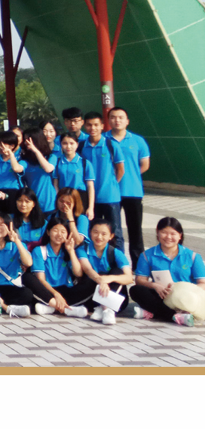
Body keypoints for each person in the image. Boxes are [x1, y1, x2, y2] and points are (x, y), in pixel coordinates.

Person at [130, 217, 205, 325]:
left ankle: (155, 313)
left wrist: (187, 291)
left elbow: (203, 283)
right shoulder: (147, 255)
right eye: (164, 232)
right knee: (135, 290)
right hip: (162, 295)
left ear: (180, 235)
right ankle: (176, 316)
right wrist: (155, 286)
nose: (168, 237)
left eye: (173, 233)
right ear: (157, 233)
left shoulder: (193, 256)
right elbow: (140, 280)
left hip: (186, 298)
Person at [106, 107, 150, 268]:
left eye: (121, 117)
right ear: (109, 120)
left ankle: (138, 266)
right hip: (110, 193)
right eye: (113, 117)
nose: (117, 120)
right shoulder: (103, 139)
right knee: (112, 231)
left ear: (127, 121)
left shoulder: (138, 140)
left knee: (135, 230)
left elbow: (144, 164)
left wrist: (131, 175)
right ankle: (117, 264)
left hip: (133, 191)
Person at [25, 216, 92, 318]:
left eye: (63, 231)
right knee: (27, 278)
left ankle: (52, 307)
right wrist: (56, 294)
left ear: (67, 234)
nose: (59, 234)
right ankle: (66, 309)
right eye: (55, 230)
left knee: (91, 282)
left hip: (66, 291)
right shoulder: (39, 250)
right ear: (48, 232)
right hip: (47, 291)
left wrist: (71, 251)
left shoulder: (67, 251)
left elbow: (78, 273)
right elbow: (41, 279)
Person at [76, 220, 134, 325]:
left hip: (117, 301)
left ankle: (107, 309)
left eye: (104, 234)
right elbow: (88, 269)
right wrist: (101, 280)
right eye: (95, 232)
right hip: (91, 298)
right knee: (96, 277)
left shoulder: (116, 252)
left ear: (111, 236)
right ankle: (103, 308)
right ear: (90, 233)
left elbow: (129, 278)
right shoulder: (82, 249)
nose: (99, 237)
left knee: (117, 272)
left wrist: (109, 279)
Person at [81, 112, 125, 250]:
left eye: (96, 125)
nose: (92, 128)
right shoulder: (81, 146)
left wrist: (111, 184)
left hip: (110, 197)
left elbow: (120, 170)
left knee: (115, 232)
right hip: (90, 199)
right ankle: (95, 258)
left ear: (102, 126)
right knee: (93, 232)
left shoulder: (111, 145)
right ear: (85, 126)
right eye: (89, 125)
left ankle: (118, 260)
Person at [54, 132, 95, 219]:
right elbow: (56, 185)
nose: (68, 146)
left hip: (80, 198)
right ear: (61, 144)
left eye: (71, 143)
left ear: (77, 144)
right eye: (65, 143)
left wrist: (91, 208)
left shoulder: (85, 163)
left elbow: (90, 186)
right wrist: (58, 201)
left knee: (80, 223)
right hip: (64, 200)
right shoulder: (57, 162)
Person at [20, 129, 58, 214]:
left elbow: (48, 169)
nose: (26, 142)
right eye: (25, 140)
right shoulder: (25, 160)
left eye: (29, 140)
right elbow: (18, 168)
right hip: (31, 203)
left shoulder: (51, 157)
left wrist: (35, 150)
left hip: (49, 203)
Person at [0, 130, 24, 206]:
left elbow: (16, 169)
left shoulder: (20, 159)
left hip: (14, 194)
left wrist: (10, 154)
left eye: (3, 144)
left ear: (12, 146)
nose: (0, 147)